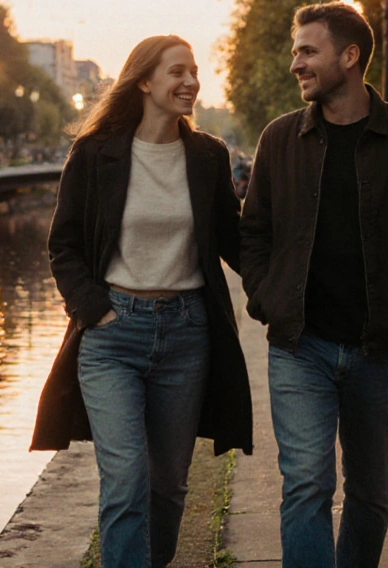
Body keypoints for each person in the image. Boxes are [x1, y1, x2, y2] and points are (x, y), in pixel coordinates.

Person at [239, 2, 388, 567]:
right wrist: (267, 296)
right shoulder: (279, 140)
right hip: (300, 348)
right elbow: (254, 235)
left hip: (381, 350)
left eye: (307, 51)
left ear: (349, 56)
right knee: (307, 486)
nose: (296, 63)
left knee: (371, 493)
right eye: (296, 51)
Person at [31, 35, 253, 567]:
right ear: (145, 81)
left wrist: (288, 283)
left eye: (195, 72)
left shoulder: (207, 156)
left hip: (186, 335)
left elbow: (233, 241)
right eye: (177, 72)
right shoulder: (95, 153)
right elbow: (63, 245)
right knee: (126, 482)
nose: (191, 82)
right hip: (113, 337)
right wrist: (94, 308)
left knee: (167, 487)